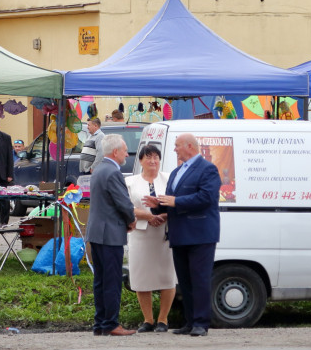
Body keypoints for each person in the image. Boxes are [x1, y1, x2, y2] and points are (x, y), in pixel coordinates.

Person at [144, 133, 221, 337]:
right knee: (185, 281)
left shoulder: (208, 169)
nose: (175, 149)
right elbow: (172, 201)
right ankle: (189, 321)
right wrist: (158, 205)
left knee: (200, 279)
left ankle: (201, 323)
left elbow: (206, 197)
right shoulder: (177, 172)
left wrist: (176, 202)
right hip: (179, 234)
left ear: (189, 146)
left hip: (200, 234)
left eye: (177, 145)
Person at [84, 134, 137, 336]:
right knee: (112, 281)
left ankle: (101, 323)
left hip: (97, 233)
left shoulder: (98, 170)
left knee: (100, 280)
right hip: (110, 234)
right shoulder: (113, 172)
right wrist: (131, 220)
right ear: (115, 152)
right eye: (124, 150)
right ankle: (111, 323)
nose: (126, 153)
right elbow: (123, 203)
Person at [125, 144, 175, 333]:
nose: (153, 161)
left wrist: (164, 215)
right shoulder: (130, 182)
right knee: (141, 277)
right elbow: (126, 207)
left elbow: (176, 202)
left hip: (164, 234)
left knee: (167, 276)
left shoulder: (169, 178)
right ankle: (148, 319)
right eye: (148, 157)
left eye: (156, 157)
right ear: (140, 161)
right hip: (141, 234)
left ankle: (163, 319)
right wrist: (148, 216)